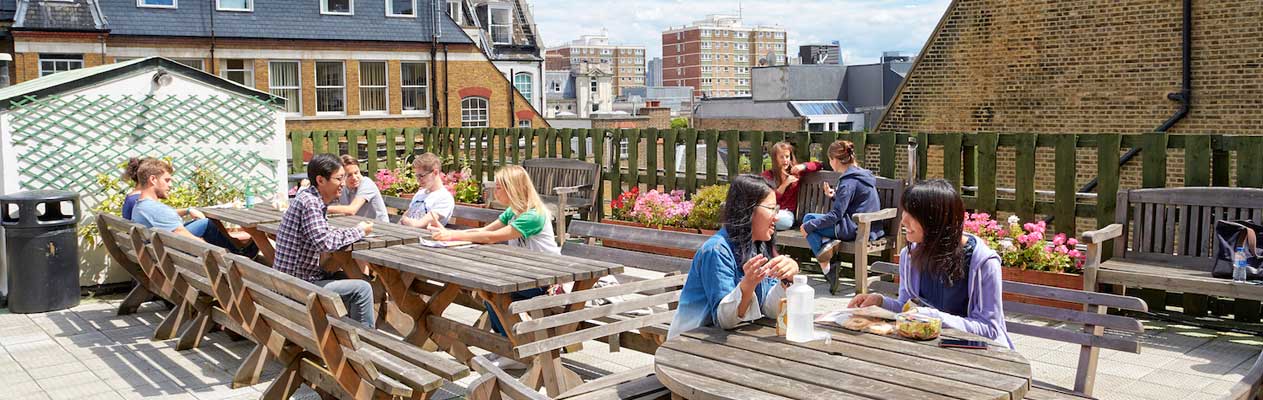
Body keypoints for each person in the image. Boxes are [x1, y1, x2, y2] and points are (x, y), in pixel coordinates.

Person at [848, 179, 1012, 348]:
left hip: (978, 355)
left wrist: (933, 317)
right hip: (930, 351)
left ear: (936, 220)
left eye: (912, 214)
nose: (903, 220)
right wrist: (880, 302)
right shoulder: (910, 256)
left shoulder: (983, 263)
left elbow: (989, 329)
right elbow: (907, 308)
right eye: (904, 211)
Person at [431, 165, 558, 369]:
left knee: (495, 292)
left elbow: (492, 237)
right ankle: (506, 345)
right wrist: (449, 236)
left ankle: (515, 350)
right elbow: (486, 231)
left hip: (546, 278)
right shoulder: (513, 211)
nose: (495, 191)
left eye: (499, 187)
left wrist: (452, 235)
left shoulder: (533, 215)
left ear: (512, 189)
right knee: (487, 290)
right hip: (524, 274)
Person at [668, 174, 800, 339]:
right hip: (688, 344)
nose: (777, 216)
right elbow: (724, 321)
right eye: (771, 208)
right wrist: (747, 286)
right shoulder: (716, 250)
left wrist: (786, 280)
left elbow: (769, 309)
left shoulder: (759, 245)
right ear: (747, 210)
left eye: (777, 209)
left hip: (727, 343)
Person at [273, 154, 377, 327]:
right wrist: (358, 231)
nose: (343, 183)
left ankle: (346, 335)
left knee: (347, 276)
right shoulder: (311, 203)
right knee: (362, 289)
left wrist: (346, 232)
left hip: (287, 282)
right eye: (339, 178)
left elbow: (321, 234)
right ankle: (364, 345)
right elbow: (324, 242)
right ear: (321, 180)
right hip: (298, 286)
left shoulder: (306, 198)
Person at [129, 158, 256, 256]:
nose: (171, 185)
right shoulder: (156, 209)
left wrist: (188, 210)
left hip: (161, 254)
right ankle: (239, 254)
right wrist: (221, 253)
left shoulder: (140, 206)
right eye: (167, 180)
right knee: (207, 224)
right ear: (153, 180)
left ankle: (238, 250)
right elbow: (184, 236)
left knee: (205, 223)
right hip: (176, 257)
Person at [799, 140, 883, 277]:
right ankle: (827, 247)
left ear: (835, 160)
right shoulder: (862, 174)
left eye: (830, 159)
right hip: (870, 227)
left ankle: (827, 268)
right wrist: (834, 196)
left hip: (855, 229)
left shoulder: (848, 181)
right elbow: (856, 203)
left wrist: (809, 226)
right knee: (809, 221)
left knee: (808, 221)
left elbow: (836, 215)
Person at [760, 141, 822, 231]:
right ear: (775, 158)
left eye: (787, 156)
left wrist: (803, 166)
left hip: (786, 214)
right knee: (758, 217)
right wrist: (785, 184)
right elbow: (768, 199)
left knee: (759, 219)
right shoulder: (767, 175)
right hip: (769, 211)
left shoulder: (795, 173)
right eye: (781, 157)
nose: (785, 160)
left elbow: (818, 165)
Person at [327, 155, 390, 223]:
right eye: (349, 175)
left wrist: (323, 208)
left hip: (379, 228)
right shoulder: (343, 187)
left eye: (356, 173)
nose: (354, 177)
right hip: (358, 225)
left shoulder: (367, 183)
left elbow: (352, 210)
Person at [400, 153, 454, 230]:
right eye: (417, 176)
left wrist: (406, 221)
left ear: (435, 173)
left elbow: (420, 225)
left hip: (425, 239)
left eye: (421, 176)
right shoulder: (420, 194)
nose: (418, 180)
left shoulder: (444, 198)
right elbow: (404, 217)